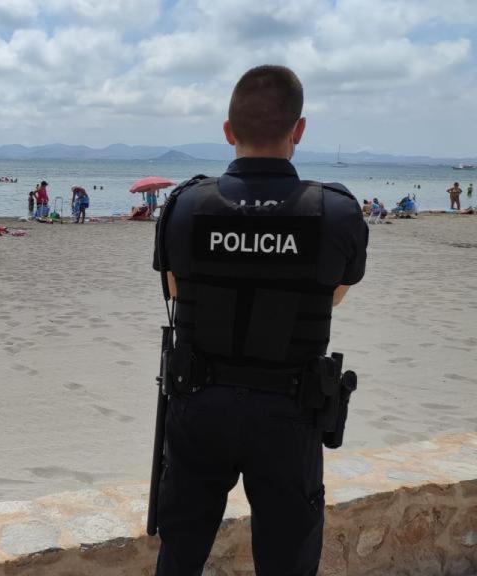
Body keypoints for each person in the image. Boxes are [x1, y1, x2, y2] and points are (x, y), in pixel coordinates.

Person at [151, 65, 368, 575]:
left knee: (180, 552)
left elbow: (175, 293)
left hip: (199, 403)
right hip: (289, 412)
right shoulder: (336, 213)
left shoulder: (182, 206)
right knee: (288, 560)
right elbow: (333, 295)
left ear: (228, 132)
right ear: (299, 130)